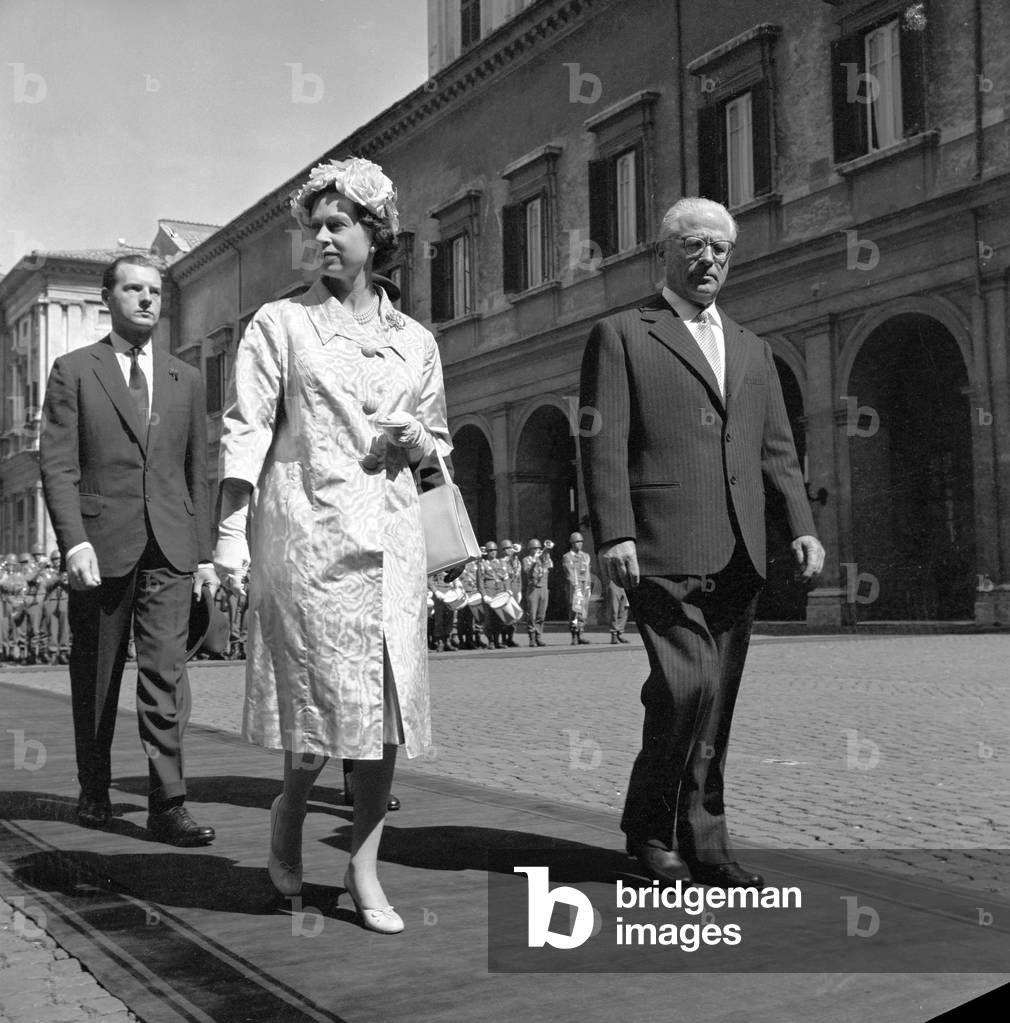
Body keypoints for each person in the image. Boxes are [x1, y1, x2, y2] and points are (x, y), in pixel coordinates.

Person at [213, 157, 450, 934]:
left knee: (383, 713)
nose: (321, 237)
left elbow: (439, 442)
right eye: (313, 226)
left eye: (337, 224)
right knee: (320, 708)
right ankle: (290, 808)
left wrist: (418, 440)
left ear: (375, 234)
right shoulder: (279, 325)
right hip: (310, 540)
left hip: (393, 541)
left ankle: (362, 865)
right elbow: (246, 427)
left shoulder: (415, 341)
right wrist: (230, 535)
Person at [580, 196, 825, 890]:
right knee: (688, 685)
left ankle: (705, 838)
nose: (708, 258)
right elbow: (602, 441)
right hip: (660, 546)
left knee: (715, 702)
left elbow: (778, 450)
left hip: (738, 550)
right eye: (693, 244)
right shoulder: (622, 334)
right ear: (664, 252)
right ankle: (651, 829)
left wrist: (802, 526)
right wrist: (614, 531)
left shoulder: (752, 347)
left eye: (721, 248)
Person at [39, 253, 218, 845]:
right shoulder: (74, 371)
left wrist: (203, 555)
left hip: (170, 549)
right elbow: (58, 466)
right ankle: (94, 787)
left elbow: (196, 472)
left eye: (154, 291)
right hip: (101, 549)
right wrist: (74, 543)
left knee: (165, 675)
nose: (146, 300)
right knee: (96, 675)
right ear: (108, 298)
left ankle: (168, 804)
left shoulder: (185, 378)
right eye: (133, 289)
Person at [521, 539, 553, 647]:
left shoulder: (544, 558)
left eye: (538, 548)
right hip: (533, 589)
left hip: (543, 588)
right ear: (530, 549)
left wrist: (545, 553)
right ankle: (532, 637)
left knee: (541, 615)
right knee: (532, 615)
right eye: (534, 548)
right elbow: (527, 571)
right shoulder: (526, 559)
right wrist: (534, 561)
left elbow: (550, 566)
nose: (537, 550)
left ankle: (538, 636)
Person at [562, 532, 592, 644]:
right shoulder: (567, 556)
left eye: (581, 542)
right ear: (572, 543)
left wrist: (588, 586)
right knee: (574, 610)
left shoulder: (586, 556)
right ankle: (574, 634)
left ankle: (581, 633)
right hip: (574, 586)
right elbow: (569, 573)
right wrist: (576, 587)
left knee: (583, 610)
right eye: (577, 542)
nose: (579, 544)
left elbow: (588, 572)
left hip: (584, 585)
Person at [607, 580, 630, 644]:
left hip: (626, 584)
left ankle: (619, 633)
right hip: (614, 582)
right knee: (614, 610)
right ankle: (614, 634)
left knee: (624, 609)